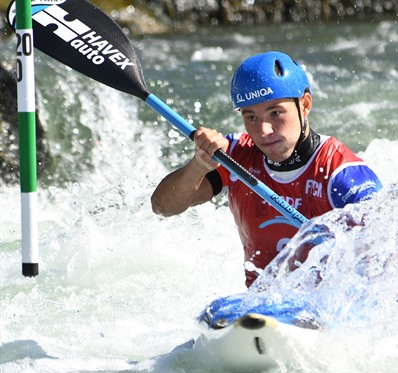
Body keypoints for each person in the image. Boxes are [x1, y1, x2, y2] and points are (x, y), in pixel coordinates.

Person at [151, 51, 382, 287]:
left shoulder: (341, 172)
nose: (264, 131)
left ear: (305, 105)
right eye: (251, 117)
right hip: (261, 304)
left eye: (275, 113)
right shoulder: (235, 157)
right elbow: (163, 206)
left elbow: (388, 246)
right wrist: (198, 165)